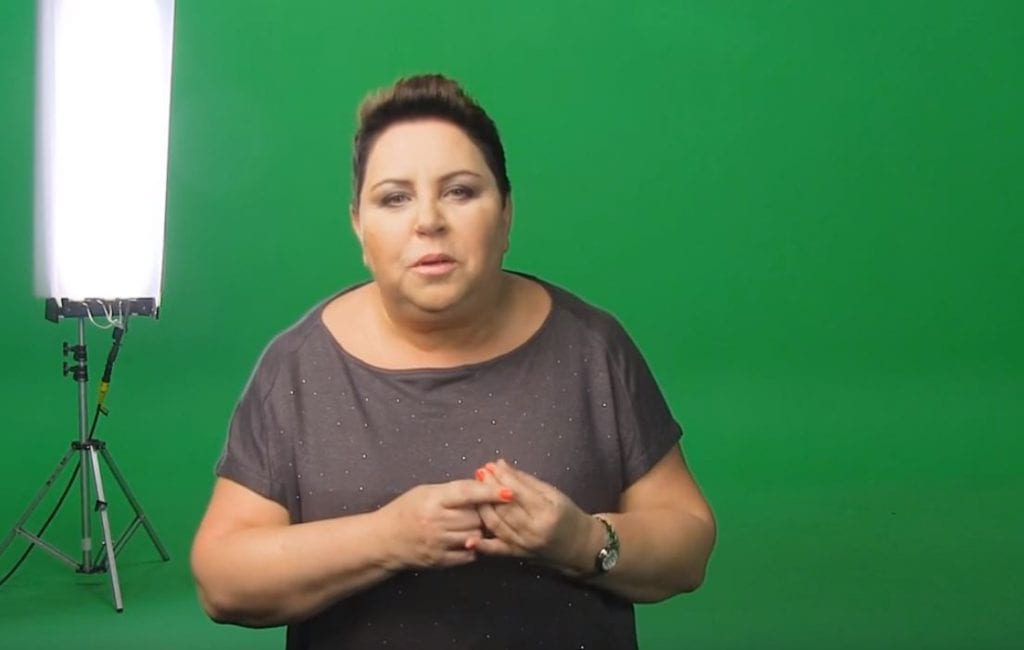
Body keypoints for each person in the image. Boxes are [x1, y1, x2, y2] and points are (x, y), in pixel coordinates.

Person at [191, 74, 717, 649]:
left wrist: (582, 542)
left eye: (460, 191)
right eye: (395, 197)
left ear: (506, 213)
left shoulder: (594, 347)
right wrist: (385, 539)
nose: (428, 221)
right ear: (359, 226)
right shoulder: (296, 367)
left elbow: (688, 547)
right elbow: (222, 582)